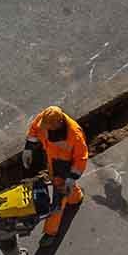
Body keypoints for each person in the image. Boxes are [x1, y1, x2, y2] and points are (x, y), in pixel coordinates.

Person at [22, 105, 88, 246]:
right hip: (52, 162)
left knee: (57, 201)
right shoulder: (45, 119)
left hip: (65, 168)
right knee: (68, 194)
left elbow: (81, 158)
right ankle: (76, 198)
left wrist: (71, 178)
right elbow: (34, 130)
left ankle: (50, 232)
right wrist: (28, 148)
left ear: (58, 124)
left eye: (48, 127)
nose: (44, 129)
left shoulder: (74, 135)